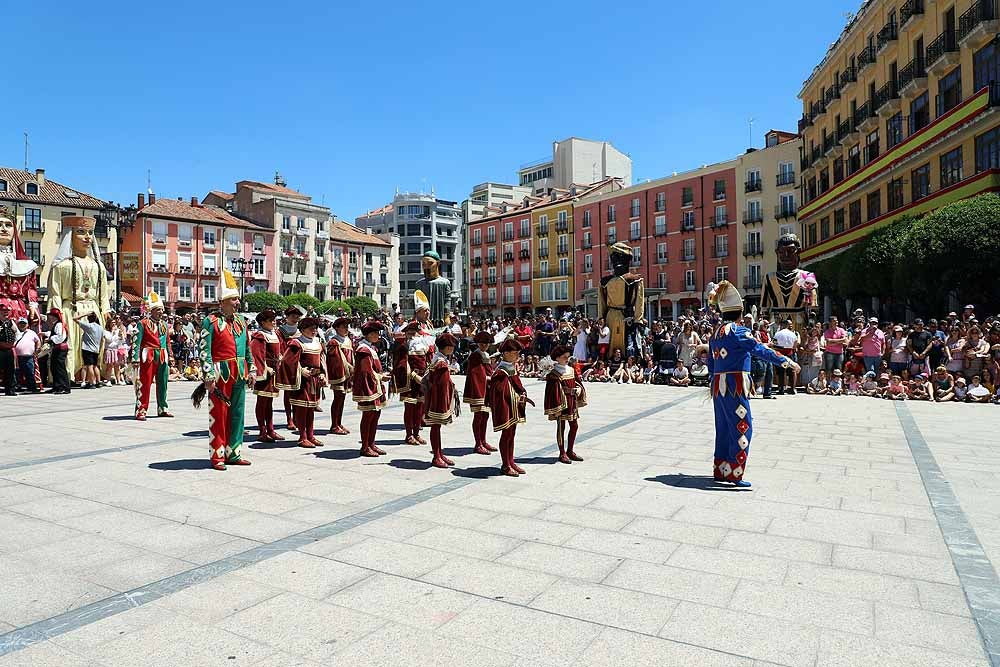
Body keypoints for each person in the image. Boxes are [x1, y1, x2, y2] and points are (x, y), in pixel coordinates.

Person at [707, 281, 798, 487]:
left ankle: (721, 469)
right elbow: (760, 350)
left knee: (723, 428)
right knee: (742, 427)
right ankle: (735, 473)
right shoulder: (739, 332)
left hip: (719, 386)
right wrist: (787, 362)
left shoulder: (716, 332)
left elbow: (711, 362)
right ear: (740, 312)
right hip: (735, 385)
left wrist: (712, 380)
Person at [198, 270, 254, 470]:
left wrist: (253, 370)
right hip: (220, 374)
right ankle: (218, 455)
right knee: (219, 415)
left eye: (237, 299)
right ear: (222, 301)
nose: (237, 302)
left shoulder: (241, 322)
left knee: (237, 414)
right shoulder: (210, 321)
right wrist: (208, 375)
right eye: (233, 299)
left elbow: (247, 348)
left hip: (239, 373)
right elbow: (203, 349)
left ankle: (234, 452)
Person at [47, 216, 111, 384]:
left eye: (90, 233)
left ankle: (94, 377)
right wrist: (56, 315)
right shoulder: (61, 266)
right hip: (71, 311)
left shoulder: (99, 266)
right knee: (71, 346)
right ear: (70, 236)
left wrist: (105, 310)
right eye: (81, 232)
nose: (87, 237)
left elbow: (103, 293)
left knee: (94, 349)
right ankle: (69, 376)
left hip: (93, 312)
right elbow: (55, 293)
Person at [276, 316, 326, 448]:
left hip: (314, 381)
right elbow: (288, 361)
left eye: (315, 328)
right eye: (311, 328)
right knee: (302, 410)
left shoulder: (318, 342)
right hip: (302, 382)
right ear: (303, 330)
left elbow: (321, 360)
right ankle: (302, 437)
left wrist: (322, 373)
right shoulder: (296, 343)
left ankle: (311, 435)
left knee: (311, 410)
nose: (314, 331)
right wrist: (300, 370)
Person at [488, 338, 534, 477]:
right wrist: (517, 397)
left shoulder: (510, 367)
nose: (518, 356)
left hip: (514, 406)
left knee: (512, 435)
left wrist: (523, 392)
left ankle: (511, 460)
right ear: (506, 353)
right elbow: (501, 393)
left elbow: (517, 385)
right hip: (507, 407)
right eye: (515, 353)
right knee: (506, 434)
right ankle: (505, 465)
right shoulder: (501, 372)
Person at [131, 292, 173, 420]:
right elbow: (136, 341)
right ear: (152, 311)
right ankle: (141, 409)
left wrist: (171, 356)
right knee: (145, 383)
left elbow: (167, 341)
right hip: (148, 355)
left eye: (162, 309)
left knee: (163, 383)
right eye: (158, 310)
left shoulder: (164, 324)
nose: (161, 312)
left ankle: (163, 408)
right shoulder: (142, 323)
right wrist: (135, 358)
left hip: (162, 355)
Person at [544, 344, 587, 464]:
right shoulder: (553, 374)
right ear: (557, 358)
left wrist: (578, 390)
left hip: (572, 402)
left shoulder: (571, 370)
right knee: (561, 428)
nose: (567, 359)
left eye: (568, 356)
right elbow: (551, 392)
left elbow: (577, 383)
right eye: (564, 357)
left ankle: (570, 450)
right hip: (561, 404)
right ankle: (562, 452)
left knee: (574, 426)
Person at [423, 332, 461, 469]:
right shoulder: (440, 362)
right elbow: (439, 385)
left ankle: (439, 453)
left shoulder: (440, 359)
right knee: (435, 426)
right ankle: (436, 456)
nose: (453, 348)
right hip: (437, 400)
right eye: (451, 346)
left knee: (437, 427)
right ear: (447, 347)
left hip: (438, 398)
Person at [353, 320, 390, 458]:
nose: (377, 335)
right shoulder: (363, 349)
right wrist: (381, 377)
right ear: (367, 334)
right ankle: (365, 446)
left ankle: (371, 443)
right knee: (368, 415)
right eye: (374, 333)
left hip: (375, 386)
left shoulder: (371, 348)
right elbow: (365, 371)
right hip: (368, 387)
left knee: (375, 415)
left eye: (377, 333)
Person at [391, 320, 428, 446]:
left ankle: (417, 433)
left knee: (419, 408)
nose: (413, 336)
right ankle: (409, 435)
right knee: (409, 408)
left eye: (415, 333)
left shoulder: (423, 346)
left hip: (421, 381)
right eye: (410, 333)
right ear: (406, 334)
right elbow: (400, 365)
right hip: (409, 381)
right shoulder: (403, 347)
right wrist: (413, 375)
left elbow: (427, 363)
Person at [249, 309, 283, 443]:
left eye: (274, 319)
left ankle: (271, 429)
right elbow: (257, 354)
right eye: (270, 320)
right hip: (265, 373)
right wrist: (266, 368)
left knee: (270, 402)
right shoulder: (259, 335)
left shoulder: (274, 334)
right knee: (262, 402)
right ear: (263, 322)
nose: (274, 322)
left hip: (274, 371)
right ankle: (262, 430)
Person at [464, 331, 495, 456]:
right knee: (478, 416)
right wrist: (488, 378)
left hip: (486, 388)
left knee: (485, 415)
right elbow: (476, 374)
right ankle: (478, 444)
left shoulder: (486, 354)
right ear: (478, 343)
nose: (484, 346)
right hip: (478, 389)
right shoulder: (475, 356)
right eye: (482, 343)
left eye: (487, 344)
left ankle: (483, 440)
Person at [325, 316, 354, 436]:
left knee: (342, 399)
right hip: (339, 374)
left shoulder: (348, 340)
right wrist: (349, 368)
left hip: (348, 374)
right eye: (343, 327)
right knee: (337, 398)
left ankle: (339, 422)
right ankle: (334, 424)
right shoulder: (334, 341)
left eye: (347, 326)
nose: (346, 329)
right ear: (336, 328)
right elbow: (336, 360)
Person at [277, 305, 304, 431]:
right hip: (286, 364)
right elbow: (279, 347)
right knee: (288, 392)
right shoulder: (280, 331)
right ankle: (289, 419)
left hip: (300, 364)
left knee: (299, 392)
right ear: (286, 317)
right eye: (292, 315)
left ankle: (297, 417)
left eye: (297, 316)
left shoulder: (302, 331)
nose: (295, 318)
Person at [74, 312, 104, 389]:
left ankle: (92, 383)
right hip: (96, 349)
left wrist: (85, 314)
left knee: (89, 366)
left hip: (87, 348)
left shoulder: (89, 326)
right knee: (95, 366)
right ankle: (98, 382)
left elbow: (75, 319)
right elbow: (102, 340)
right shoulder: (100, 328)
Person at [13, 317, 41, 393]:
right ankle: (17, 386)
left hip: (28, 357)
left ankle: (32, 388)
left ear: (27, 324)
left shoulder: (31, 332)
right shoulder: (14, 332)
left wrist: (38, 348)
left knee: (29, 372)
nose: (22, 325)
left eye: (24, 323)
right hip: (17, 357)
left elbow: (38, 340)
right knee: (17, 373)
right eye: (20, 323)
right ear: (17, 324)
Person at [47, 308, 71, 394]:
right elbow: (55, 334)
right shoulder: (57, 324)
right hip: (57, 348)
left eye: (52, 316)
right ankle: (57, 386)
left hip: (60, 348)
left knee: (59, 368)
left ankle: (63, 387)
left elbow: (61, 336)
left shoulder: (59, 325)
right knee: (54, 367)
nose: (50, 318)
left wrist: (50, 339)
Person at [772, 319, 799, 394]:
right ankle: (792, 388)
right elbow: (795, 345)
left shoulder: (778, 334)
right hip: (790, 353)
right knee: (791, 371)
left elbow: (774, 344)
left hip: (781, 353)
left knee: (781, 371)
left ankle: (781, 389)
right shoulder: (793, 334)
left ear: (782, 325)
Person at [0, 305, 16, 395]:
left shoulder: (11, 322)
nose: (5, 313)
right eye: (3, 311)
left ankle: (10, 389)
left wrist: (14, 343)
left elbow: (17, 333)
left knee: (10, 370)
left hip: (9, 349)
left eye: (6, 311)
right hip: (0, 349)